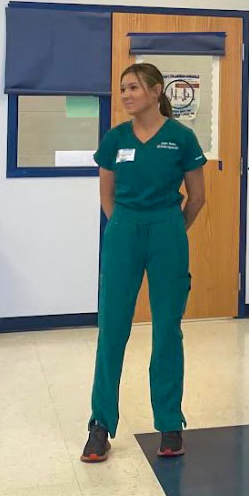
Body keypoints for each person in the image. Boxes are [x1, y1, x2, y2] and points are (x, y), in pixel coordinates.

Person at [81, 63, 207, 463]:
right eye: (122, 89)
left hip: (168, 230)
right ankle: (100, 424)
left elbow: (197, 197)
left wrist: (172, 229)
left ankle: (170, 423)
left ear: (155, 92)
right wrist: (123, 225)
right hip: (123, 231)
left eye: (133, 87)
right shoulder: (115, 138)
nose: (126, 95)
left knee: (167, 329)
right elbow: (106, 194)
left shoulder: (181, 138)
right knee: (112, 328)